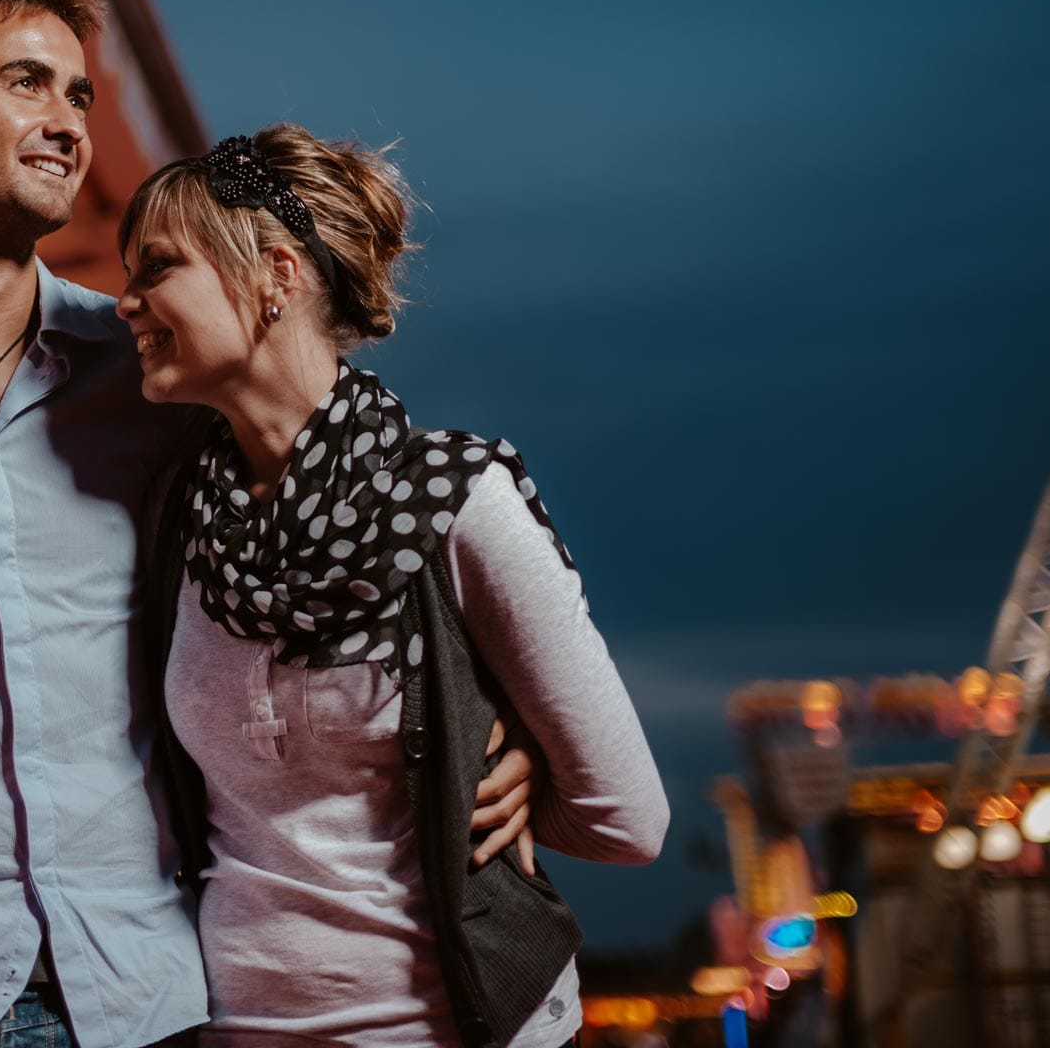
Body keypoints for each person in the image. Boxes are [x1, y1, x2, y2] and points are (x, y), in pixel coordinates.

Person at [0, 0, 539, 1048]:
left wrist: (497, 711)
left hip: (140, 987)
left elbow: (338, 523)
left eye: (79, 96)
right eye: (29, 84)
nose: (66, 123)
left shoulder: (151, 376)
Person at [116, 126, 670, 1048]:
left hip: (452, 1027)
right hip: (236, 1030)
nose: (126, 302)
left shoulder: (455, 501)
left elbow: (629, 820)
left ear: (276, 277)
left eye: (157, 269)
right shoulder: (181, 515)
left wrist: (494, 779)